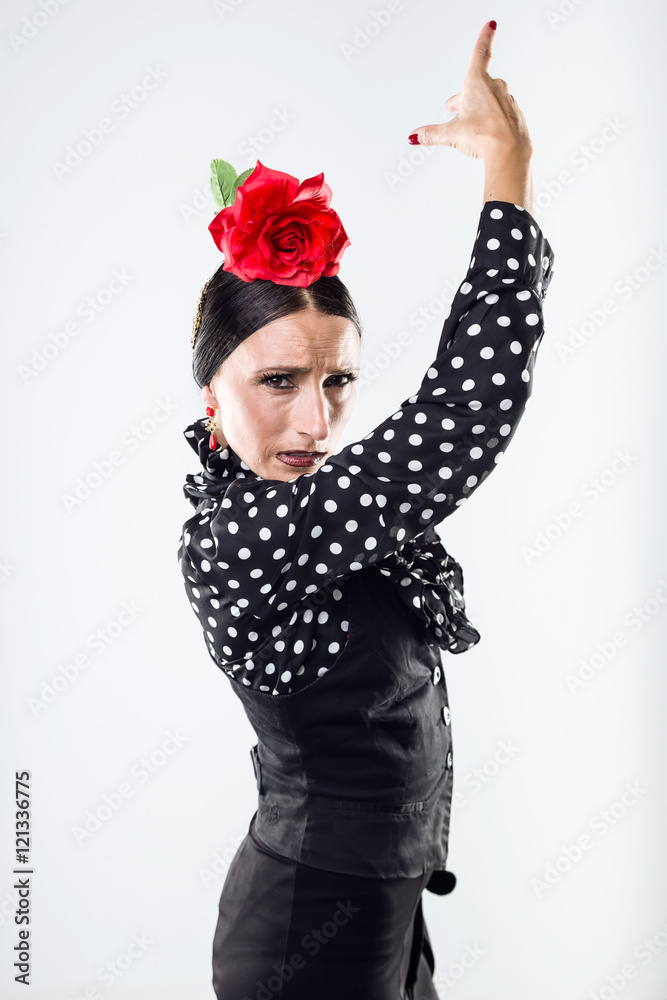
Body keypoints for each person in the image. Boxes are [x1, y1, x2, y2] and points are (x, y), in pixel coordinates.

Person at [178, 19, 555, 1000]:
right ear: (208, 398)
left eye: (338, 380)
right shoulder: (243, 538)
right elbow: (457, 422)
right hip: (309, 925)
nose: (315, 419)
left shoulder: (313, 507)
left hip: (383, 905)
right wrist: (504, 176)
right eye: (277, 381)